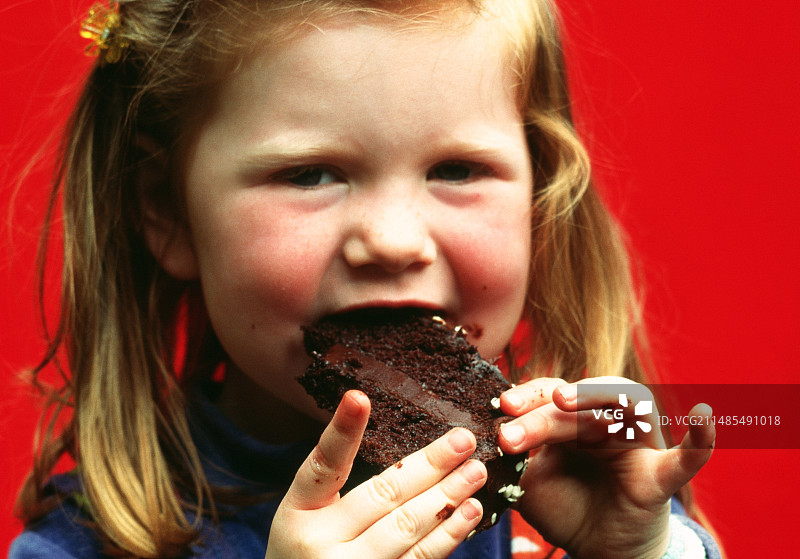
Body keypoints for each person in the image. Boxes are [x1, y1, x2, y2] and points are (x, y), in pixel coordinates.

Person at [10, 1, 722, 558]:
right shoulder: (80, 545)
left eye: (456, 170)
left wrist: (645, 548)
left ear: (538, 193)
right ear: (166, 209)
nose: (392, 240)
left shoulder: (589, 502)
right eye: (310, 174)